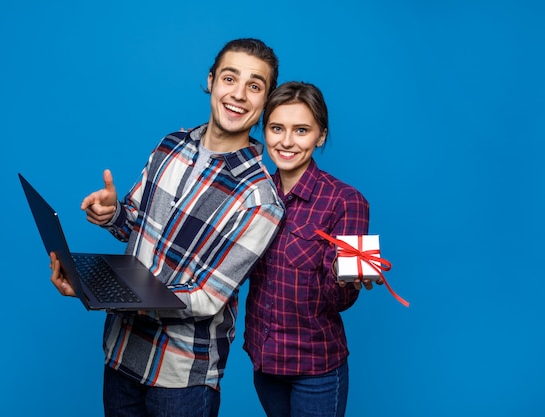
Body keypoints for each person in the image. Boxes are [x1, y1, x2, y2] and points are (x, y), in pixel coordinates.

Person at [48, 38, 284, 417]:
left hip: (181, 378)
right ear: (211, 81)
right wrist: (112, 214)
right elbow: (137, 224)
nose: (238, 94)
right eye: (229, 78)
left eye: (254, 86)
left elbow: (206, 298)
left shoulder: (261, 200)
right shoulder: (170, 145)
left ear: (265, 101)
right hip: (121, 353)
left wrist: (95, 289)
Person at [243, 81, 380, 417]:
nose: (287, 141)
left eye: (301, 130)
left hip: (316, 368)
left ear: (320, 135)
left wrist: (343, 275)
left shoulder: (346, 201)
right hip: (264, 361)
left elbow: (341, 302)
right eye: (277, 128)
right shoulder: (254, 193)